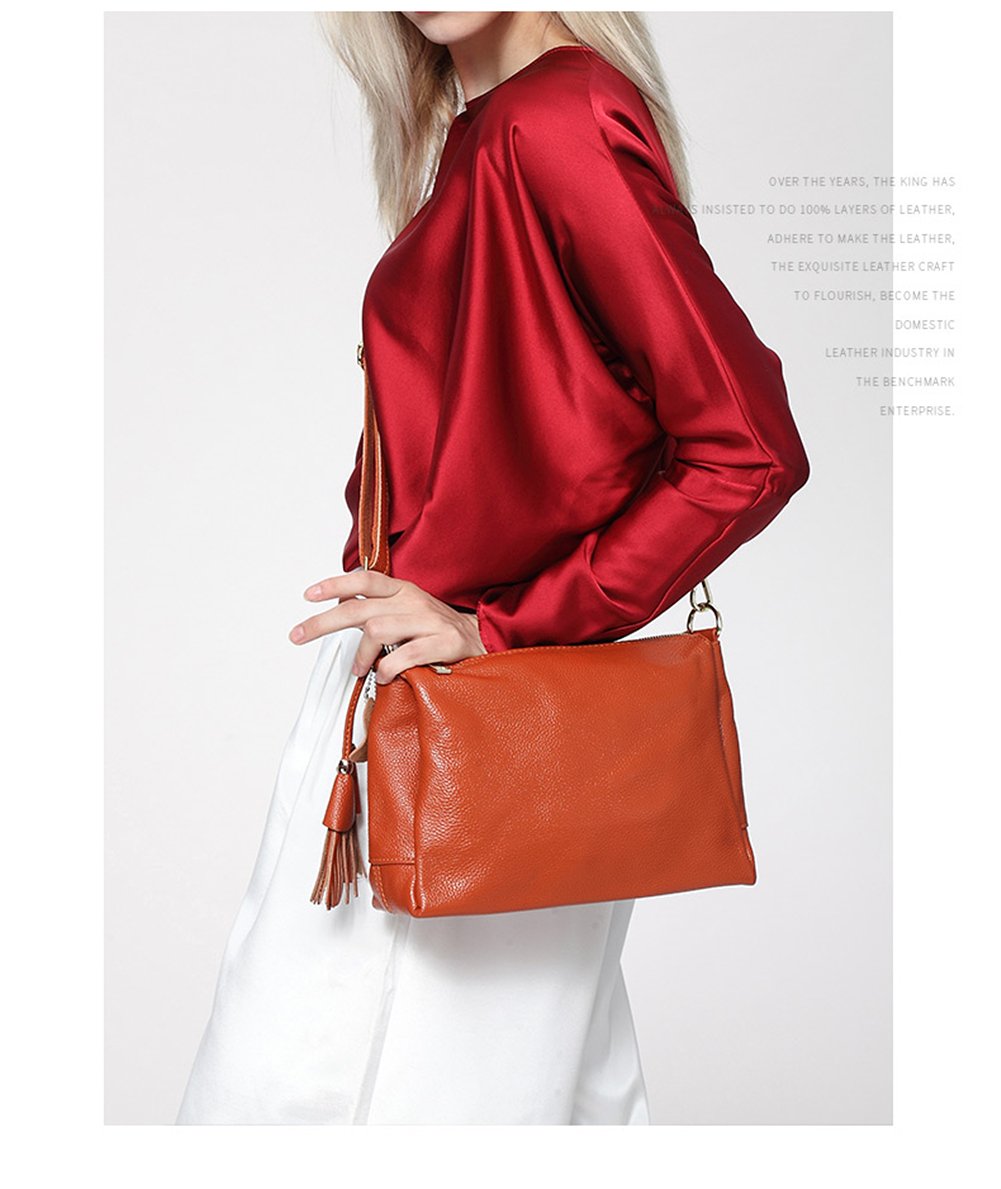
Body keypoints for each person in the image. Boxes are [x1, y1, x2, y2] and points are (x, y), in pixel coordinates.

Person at [175, 10, 810, 1126]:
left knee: (340, 1101)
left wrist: (498, 628)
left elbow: (746, 448)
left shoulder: (554, 119)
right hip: (433, 707)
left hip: (479, 727)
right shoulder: (489, 128)